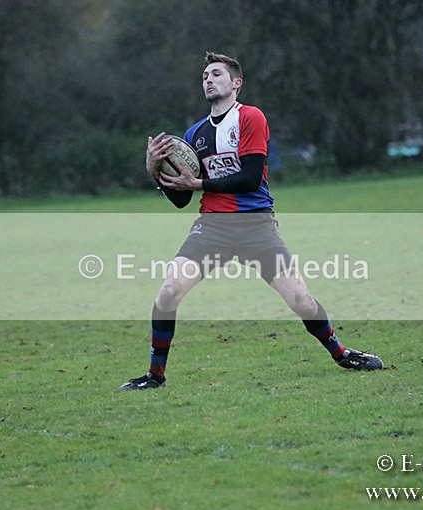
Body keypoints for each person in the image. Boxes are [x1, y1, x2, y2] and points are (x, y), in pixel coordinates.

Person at [118, 51, 383, 391]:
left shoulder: (251, 117)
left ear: (236, 83)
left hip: (256, 225)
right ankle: (155, 376)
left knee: (300, 300)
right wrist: (154, 169)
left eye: (216, 74)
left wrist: (198, 183)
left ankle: (342, 353)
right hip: (211, 227)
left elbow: (251, 178)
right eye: (204, 77)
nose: (208, 80)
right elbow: (183, 198)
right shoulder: (195, 133)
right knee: (168, 291)